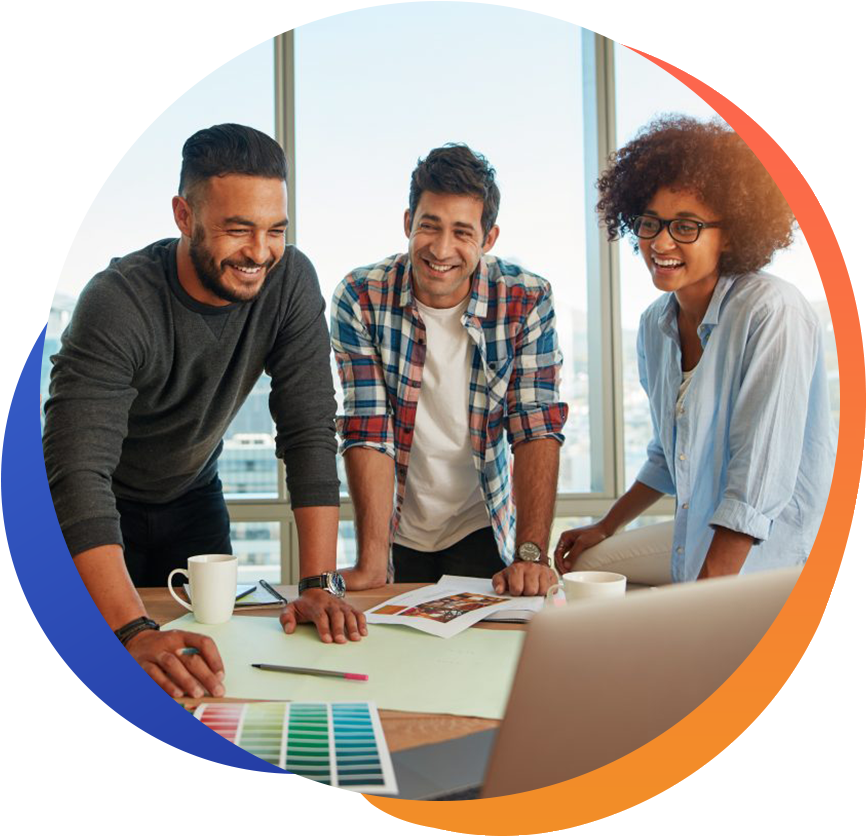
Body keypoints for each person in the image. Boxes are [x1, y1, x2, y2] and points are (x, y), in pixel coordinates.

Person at [43, 124, 367, 699]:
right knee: (97, 682)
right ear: (183, 216)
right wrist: (133, 628)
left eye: (274, 231)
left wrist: (319, 582)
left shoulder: (289, 280)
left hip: (194, 499)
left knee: (214, 673)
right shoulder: (118, 303)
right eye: (237, 229)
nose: (259, 252)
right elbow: (76, 473)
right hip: (98, 510)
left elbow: (309, 429)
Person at [555, 115, 835, 584]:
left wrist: (701, 605)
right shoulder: (654, 325)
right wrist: (606, 525)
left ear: (731, 235)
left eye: (686, 226)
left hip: (786, 549)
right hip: (708, 528)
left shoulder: (773, 311)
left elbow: (756, 486)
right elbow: (670, 456)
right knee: (588, 567)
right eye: (650, 223)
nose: (660, 242)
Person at [331, 144, 568, 595]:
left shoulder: (526, 298)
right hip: (396, 527)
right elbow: (368, 429)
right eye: (429, 226)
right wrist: (373, 560)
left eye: (462, 232)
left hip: (480, 522)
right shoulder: (361, 296)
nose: (441, 249)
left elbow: (534, 426)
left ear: (489, 238)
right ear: (407, 223)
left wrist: (530, 554)